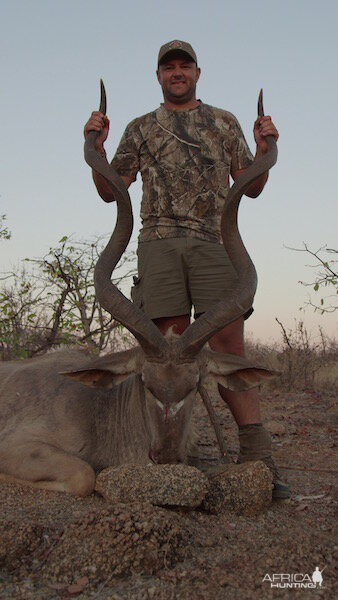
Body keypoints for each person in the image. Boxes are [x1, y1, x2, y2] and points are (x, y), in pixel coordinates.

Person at [84, 40, 290, 499]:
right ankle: (173, 457)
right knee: (166, 353)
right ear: (159, 77)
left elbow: (249, 189)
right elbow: (108, 191)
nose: (177, 72)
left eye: (184, 66)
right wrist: (94, 148)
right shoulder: (140, 128)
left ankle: (259, 459)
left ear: (198, 72)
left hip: (214, 243)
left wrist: (262, 152)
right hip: (158, 246)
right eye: (168, 67)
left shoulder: (224, 122)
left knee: (227, 346)